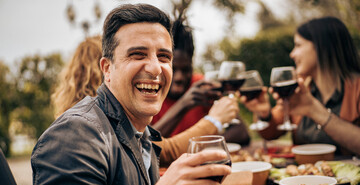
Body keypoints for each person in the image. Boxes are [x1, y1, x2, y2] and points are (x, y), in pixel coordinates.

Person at [31, 4, 232, 185]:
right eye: (138, 54)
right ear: (107, 69)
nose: (156, 68)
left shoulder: (141, 133)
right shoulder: (76, 133)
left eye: (164, 57)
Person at [50, 34, 239, 167]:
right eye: (135, 56)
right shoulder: (93, 124)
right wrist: (214, 120)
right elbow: (161, 148)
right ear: (106, 68)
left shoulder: (98, 116)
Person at [241, 16, 360, 156]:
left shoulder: (356, 89)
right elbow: (271, 132)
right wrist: (264, 115)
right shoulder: (303, 87)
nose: (292, 54)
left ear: (321, 46)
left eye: (298, 45)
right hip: (305, 174)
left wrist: (316, 112)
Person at [151, 18, 251, 145]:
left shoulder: (200, 86)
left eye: (186, 70)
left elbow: (241, 133)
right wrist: (183, 105)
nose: (179, 77)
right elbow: (144, 146)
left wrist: (199, 147)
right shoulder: (150, 90)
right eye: (173, 69)